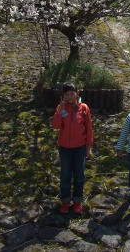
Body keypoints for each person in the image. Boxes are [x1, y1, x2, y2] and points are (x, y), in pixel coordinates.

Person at [52, 82, 93, 214]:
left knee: (79, 174)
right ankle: (65, 201)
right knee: (65, 174)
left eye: (72, 93)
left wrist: (89, 146)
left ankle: (77, 201)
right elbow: (56, 125)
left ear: (77, 93)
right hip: (64, 147)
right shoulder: (61, 107)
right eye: (66, 94)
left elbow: (89, 128)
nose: (70, 96)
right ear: (63, 95)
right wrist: (59, 111)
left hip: (80, 147)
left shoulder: (84, 108)